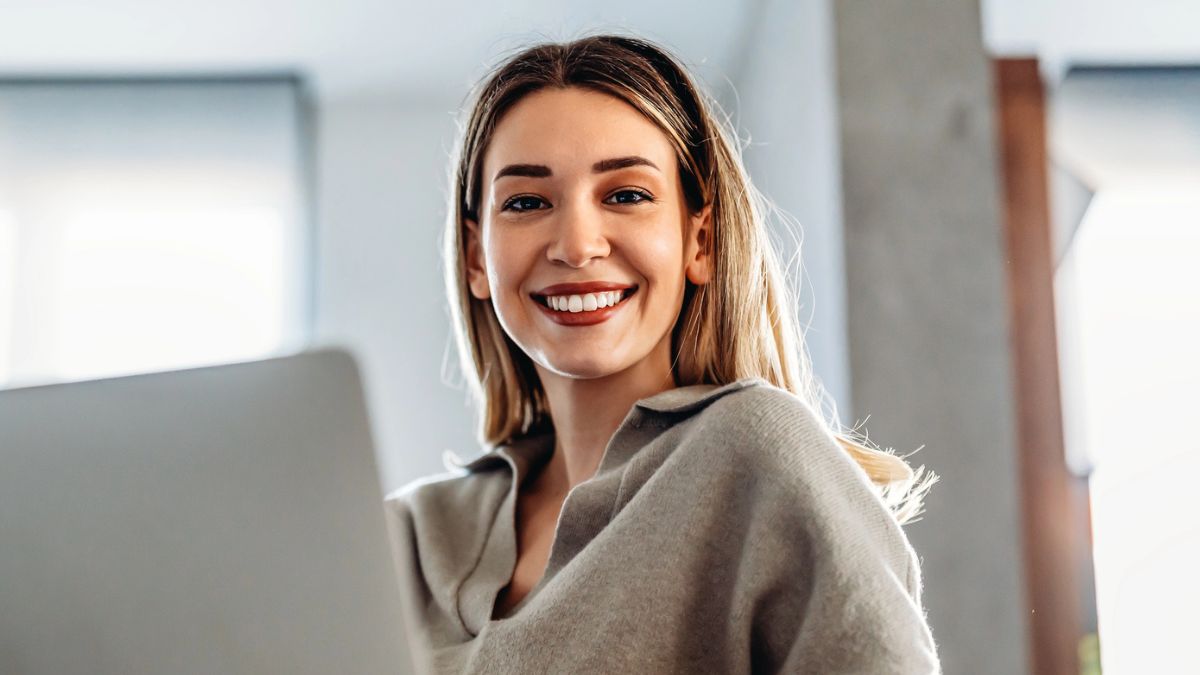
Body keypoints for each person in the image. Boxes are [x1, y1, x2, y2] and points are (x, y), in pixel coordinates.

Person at [384, 34, 942, 674]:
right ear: (476, 257)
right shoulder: (407, 535)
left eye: (625, 195)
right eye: (527, 202)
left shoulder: (756, 453)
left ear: (697, 239)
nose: (576, 244)